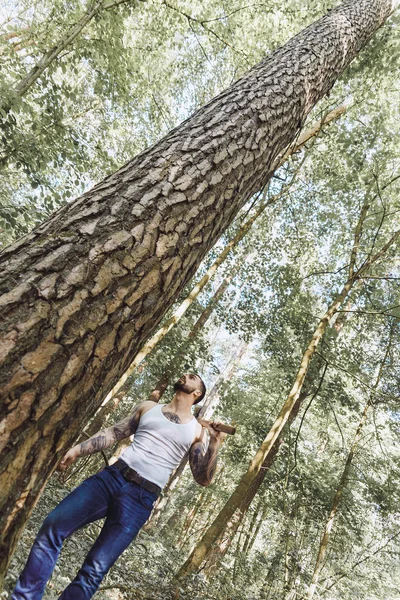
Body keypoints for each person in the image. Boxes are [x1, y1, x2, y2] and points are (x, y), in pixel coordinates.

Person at [12, 373, 224, 600]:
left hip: (142, 498)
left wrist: (214, 443)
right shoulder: (148, 407)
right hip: (111, 478)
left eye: (192, 377)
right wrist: (77, 449)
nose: (186, 375)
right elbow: (114, 432)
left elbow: (203, 478)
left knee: (94, 570)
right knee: (53, 526)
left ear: (197, 393)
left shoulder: (196, 430)